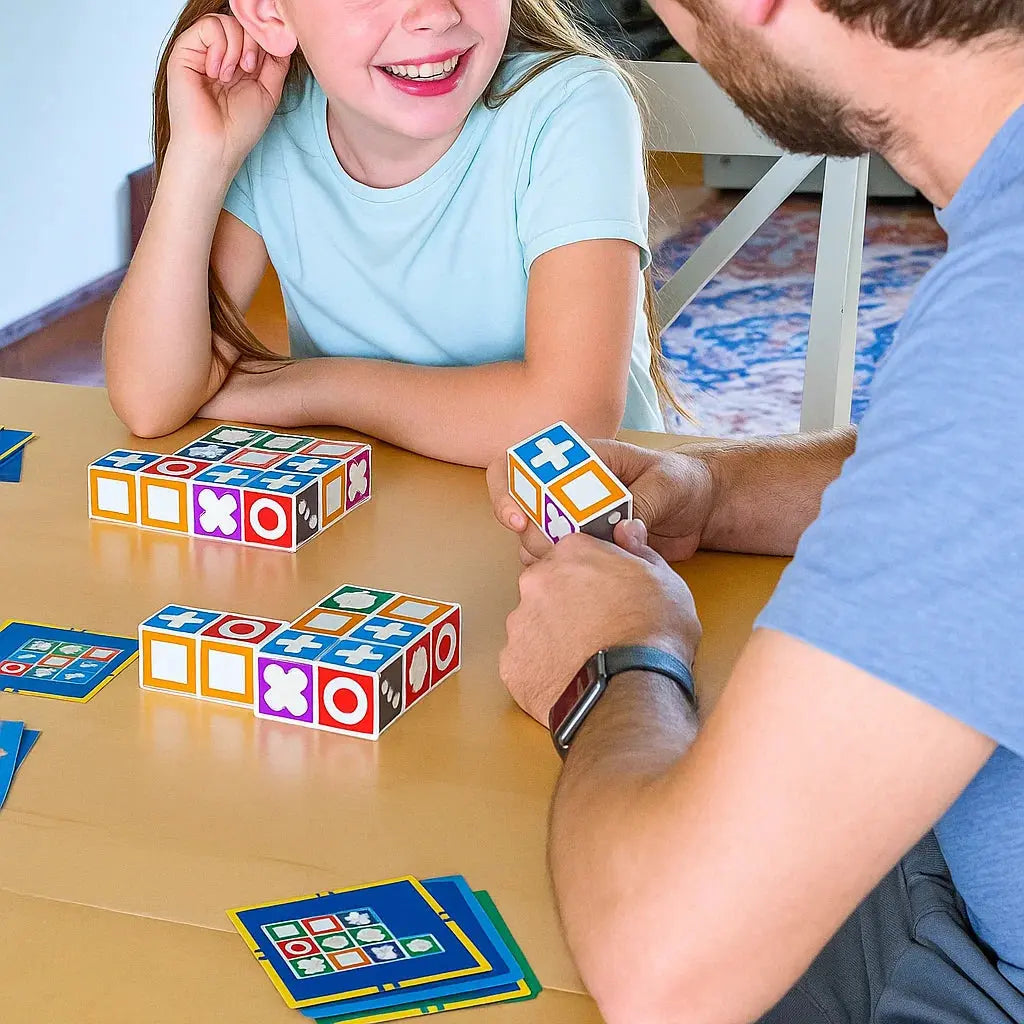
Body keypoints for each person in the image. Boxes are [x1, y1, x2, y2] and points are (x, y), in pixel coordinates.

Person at [489, 1, 1024, 1020]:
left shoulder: (1006, 324)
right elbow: (977, 474)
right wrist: (719, 488)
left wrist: (613, 661)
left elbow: (664, 968)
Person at [103, 0, 672, 468]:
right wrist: (201, 157)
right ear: (270, 13)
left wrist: (312, 388)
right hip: (378, 508)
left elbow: (570, 424)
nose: (434, 13)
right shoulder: (271, 119)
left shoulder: (573, 104)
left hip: (590, 532)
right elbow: (151, 401)